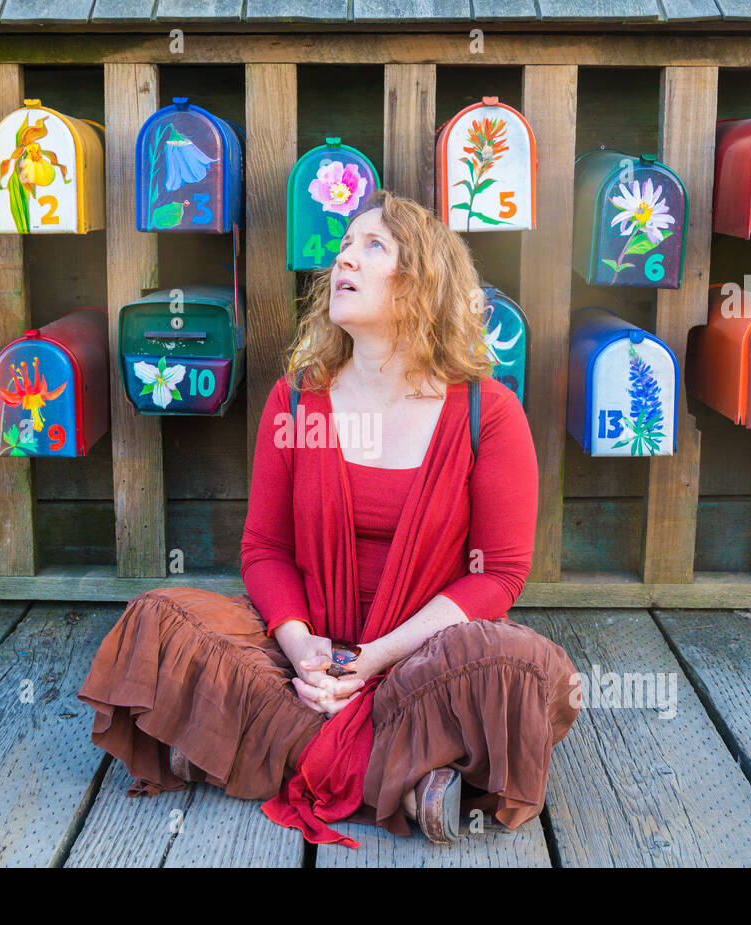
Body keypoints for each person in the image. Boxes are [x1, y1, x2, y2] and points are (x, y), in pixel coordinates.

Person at [78, 189, 581, 848]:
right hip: (307, 654)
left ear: (423, 283)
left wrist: (374, 659)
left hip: (419, 656)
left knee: (523, 668)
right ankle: (404, 771)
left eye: (373, 246)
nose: (345, 257)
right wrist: (302, 649)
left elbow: (499, 576)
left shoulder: (489, 415)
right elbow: (263, 549)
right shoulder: (297, 399)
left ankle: (237, 742)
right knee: (159, 617)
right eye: (346, 244)